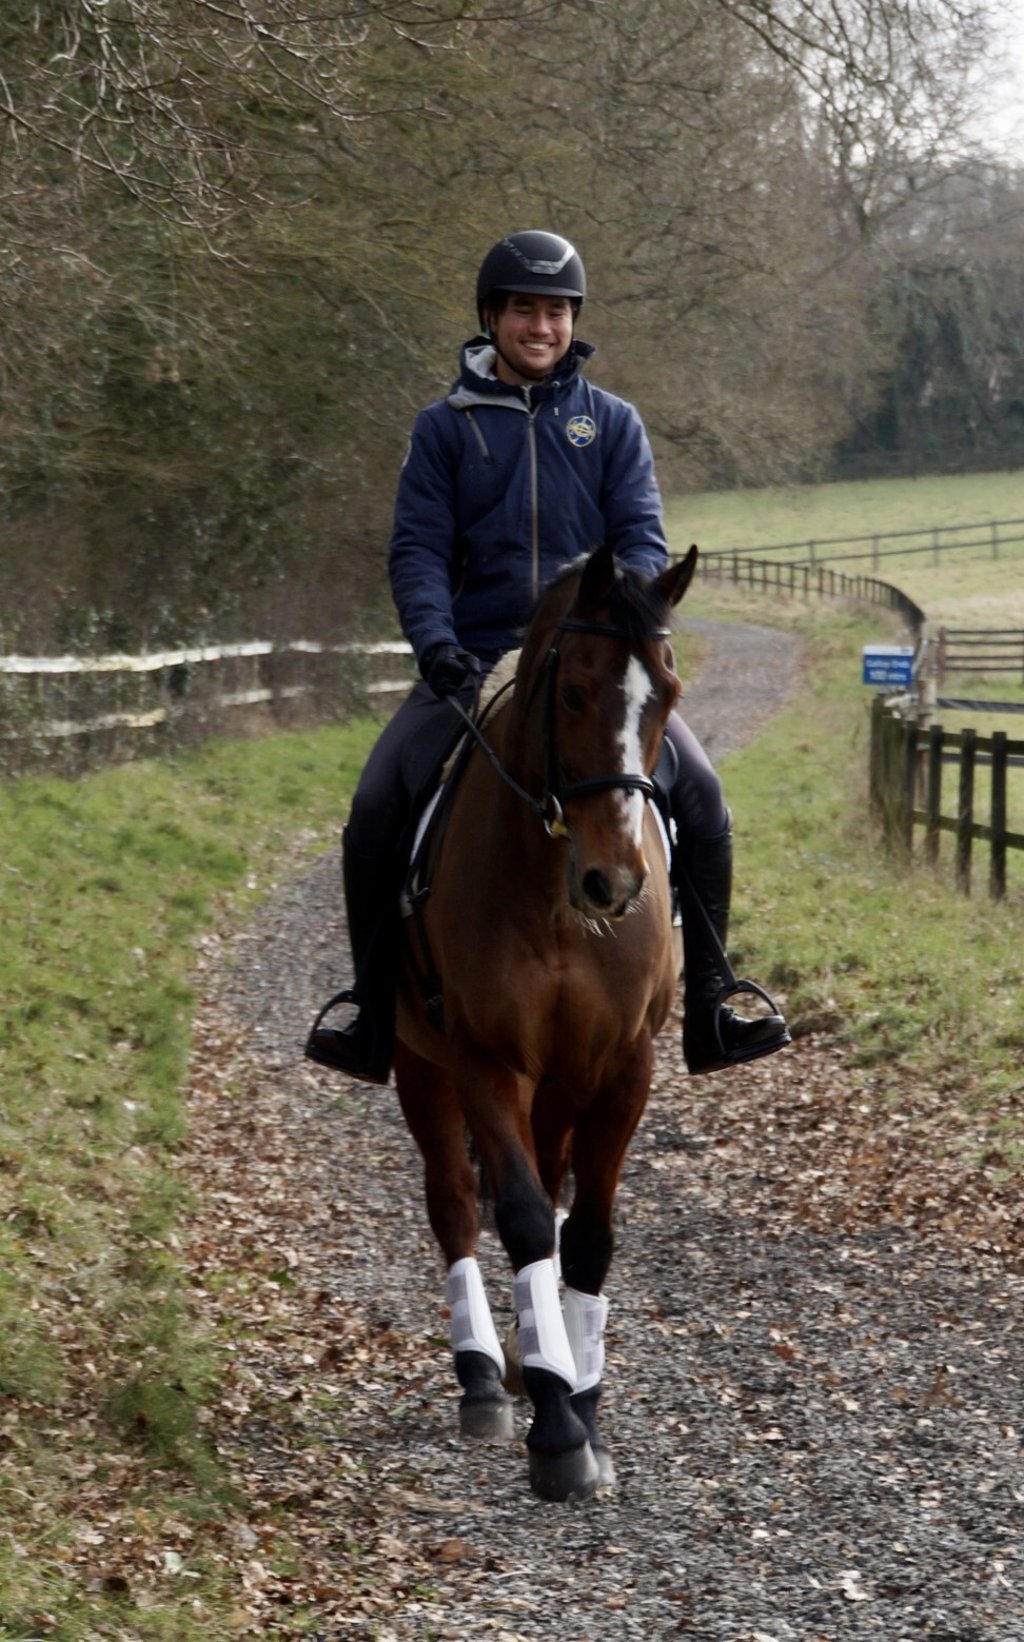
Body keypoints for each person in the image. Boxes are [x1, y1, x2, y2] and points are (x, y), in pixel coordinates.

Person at [306, 230, 790, 1085]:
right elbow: (418, 551)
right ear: (491, 317)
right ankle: (371, 1012)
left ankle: (712, 1002)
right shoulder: (444, 430)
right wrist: (437, 645)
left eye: (557, 312)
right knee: (377, 802)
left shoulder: (613, 424)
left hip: (594, 665)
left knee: (705, 798)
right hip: (476, 658)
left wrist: (627, 623)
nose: (541, 326)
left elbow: (641, 538)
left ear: (574, 322)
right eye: (525, 310)